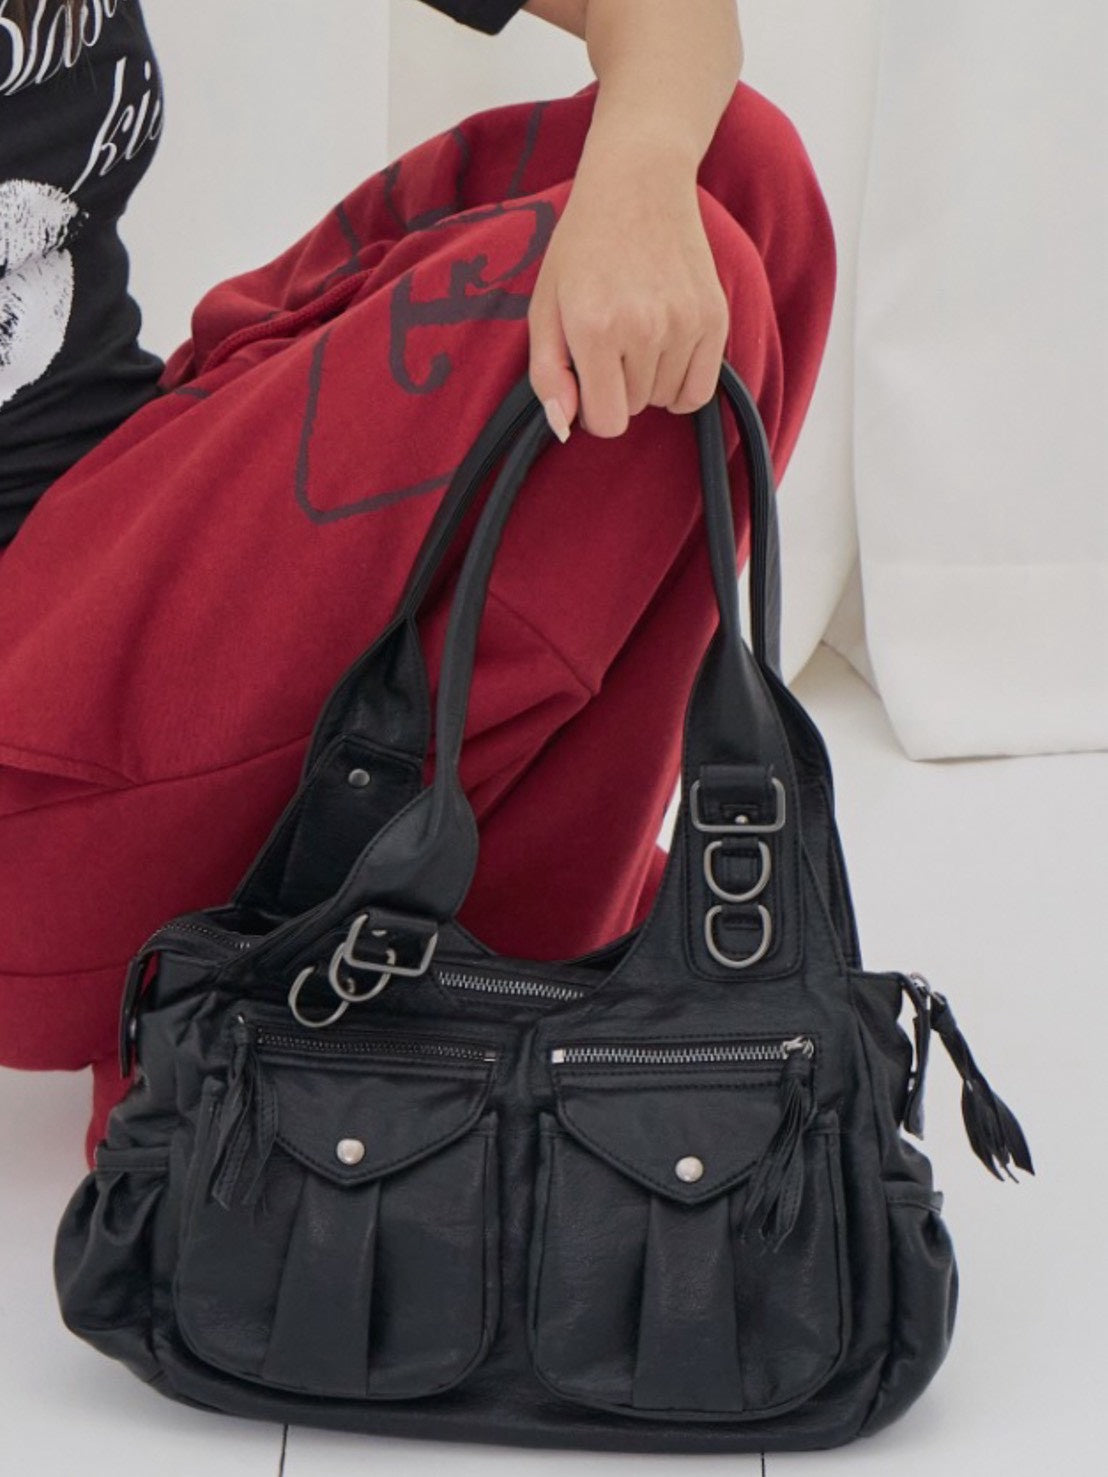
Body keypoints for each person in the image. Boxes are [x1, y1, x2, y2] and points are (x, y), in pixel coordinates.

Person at [0, 0, 837, 1161]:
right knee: (659, 269)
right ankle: (369, 1032)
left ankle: (479, 967)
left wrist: (641, 170)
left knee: (735, 173)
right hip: (32, 770)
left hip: (125, 498)